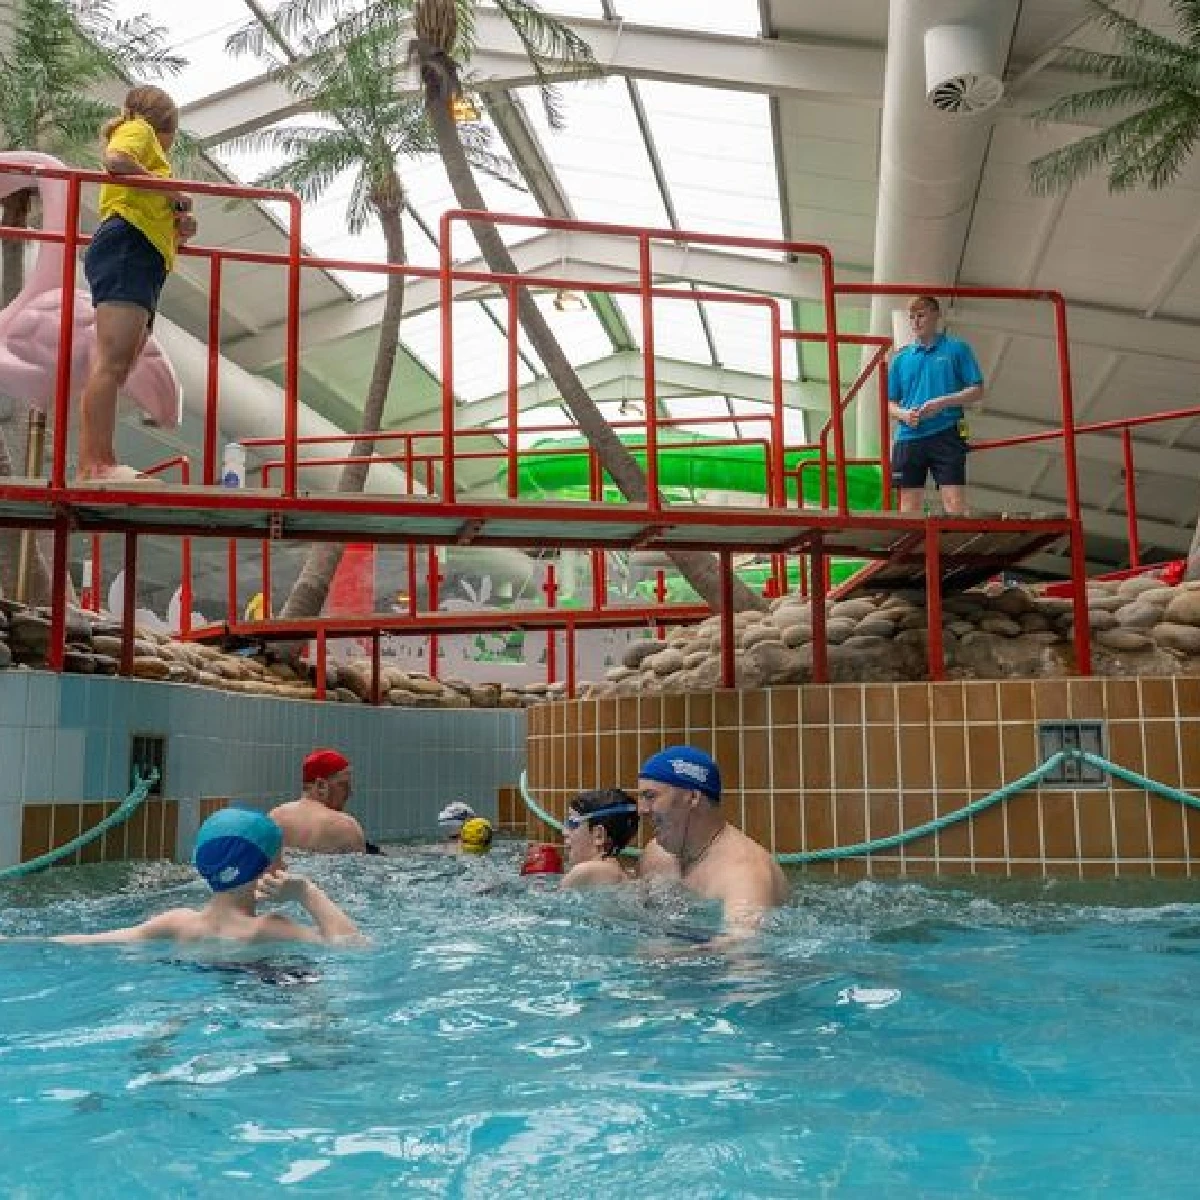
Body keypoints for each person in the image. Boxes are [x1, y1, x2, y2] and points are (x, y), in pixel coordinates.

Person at [16, 809, 363, 946]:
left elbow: (91, 939)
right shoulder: (268, 929)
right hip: (257, 993)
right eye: (279, 857)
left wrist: (13, 941)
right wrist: (307, 892)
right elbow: (353, 947)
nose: (285, 863)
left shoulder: (179, 922)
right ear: (265, 870)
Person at [78, 85, 198, 483]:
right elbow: (117, 160)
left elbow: (142, 192)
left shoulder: (152, 161)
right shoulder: (140, 130)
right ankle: (97, 463)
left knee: (120, 362)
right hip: (127, 246)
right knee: (112, 361)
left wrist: (179, 224)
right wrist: (170, 189)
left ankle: (100, 461)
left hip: (142, 254)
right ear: (167, 128)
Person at [636, 746, 787, 936]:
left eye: (650, 796)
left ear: (692, 797)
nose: (641, 809)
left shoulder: (743, 874)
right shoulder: (655, 856)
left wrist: (666, 957)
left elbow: (744, 955)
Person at [888, 295, 984, 515]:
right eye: (911, 317)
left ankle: (955, 549)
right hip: (908, 437)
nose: (915, 322)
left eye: (921, 315)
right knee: (908, 508)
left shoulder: (957, 349)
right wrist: (903, 414)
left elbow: (977, 390)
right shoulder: (900, 359)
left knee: (954, 504)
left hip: (947, 432)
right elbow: (889, 403)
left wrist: (943, 402)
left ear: (936, 315)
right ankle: (914, 550)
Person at [269, 749, 367, 854]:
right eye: (343, 785)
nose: (350, 793)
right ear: (321, 786)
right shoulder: (345, 827)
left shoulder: (274, 817)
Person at [561, 788, 639, 890]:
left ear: (599, 835)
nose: (564, 831)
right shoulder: (624, 874)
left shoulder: (584, 871)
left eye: (572, 823)